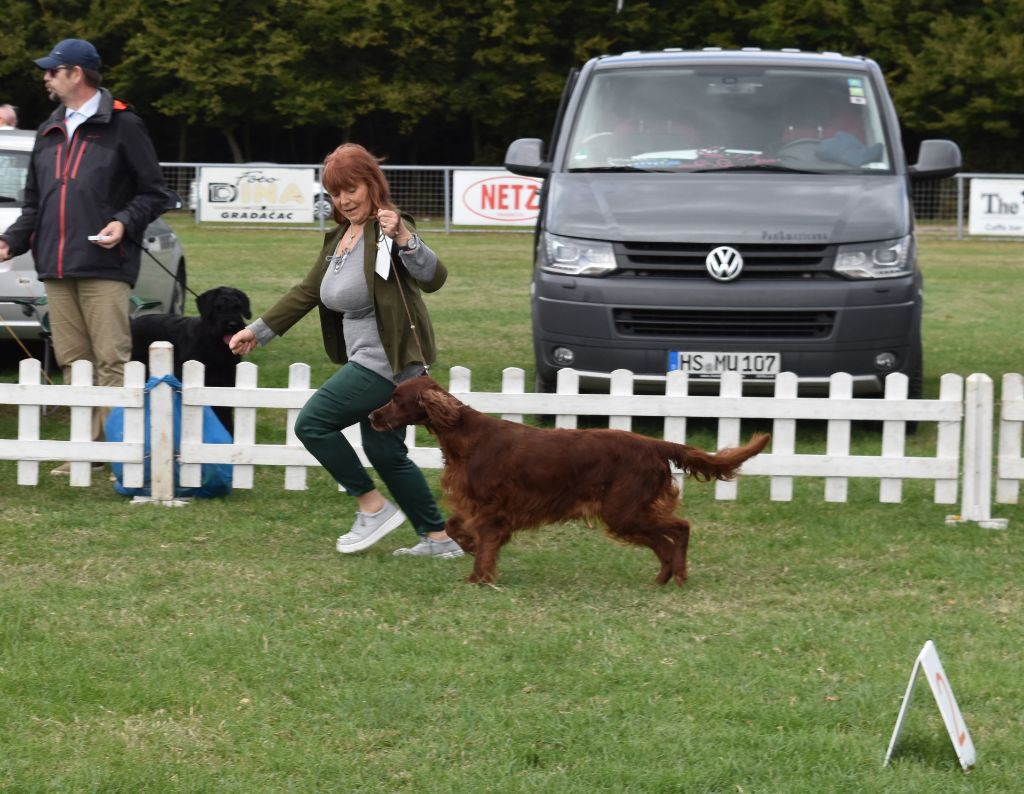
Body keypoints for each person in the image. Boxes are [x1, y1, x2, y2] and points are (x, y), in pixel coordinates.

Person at [228, 143, 463, 560]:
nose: (344, 200)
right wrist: (258, 331)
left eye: (350, 189)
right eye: (336, 193)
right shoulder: (338, 236)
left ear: (371, 184)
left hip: (387, 362)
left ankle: (371, 508)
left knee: (313, 423)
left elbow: (434, 279)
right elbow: (307, 292)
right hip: (369, 359)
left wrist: (406, 238)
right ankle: (440, 541)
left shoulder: (389, 229)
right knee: (384, 451)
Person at [0, 39, 167, 474]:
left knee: (112, 359)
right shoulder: (48, 128)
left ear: (76, 74)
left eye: (52, 71)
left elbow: (154, 192)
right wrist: (11, 242)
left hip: (105, 265)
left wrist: (124, 223)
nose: (45, 77)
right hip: (54, 266)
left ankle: (114, 452)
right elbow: (33, 202)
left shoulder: (125, 124)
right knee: (75, 361)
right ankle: (88, 449)